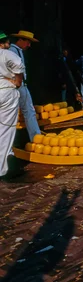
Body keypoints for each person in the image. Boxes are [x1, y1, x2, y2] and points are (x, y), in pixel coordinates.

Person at [0, 30, 25, 178]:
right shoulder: (6, 54)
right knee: (5, 131)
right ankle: (3, 170)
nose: (9, 45)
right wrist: (17, 81)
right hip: (6, 93)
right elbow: (18, 65)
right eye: (8, 43)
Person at [9, 30, 41, 140]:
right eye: (28, 42)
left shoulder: (18, 51)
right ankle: (36, 138)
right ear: (21, 40)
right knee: (29, 111)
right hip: (18, 85)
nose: (29, 45)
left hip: (17, 85)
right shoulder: (13, 51)